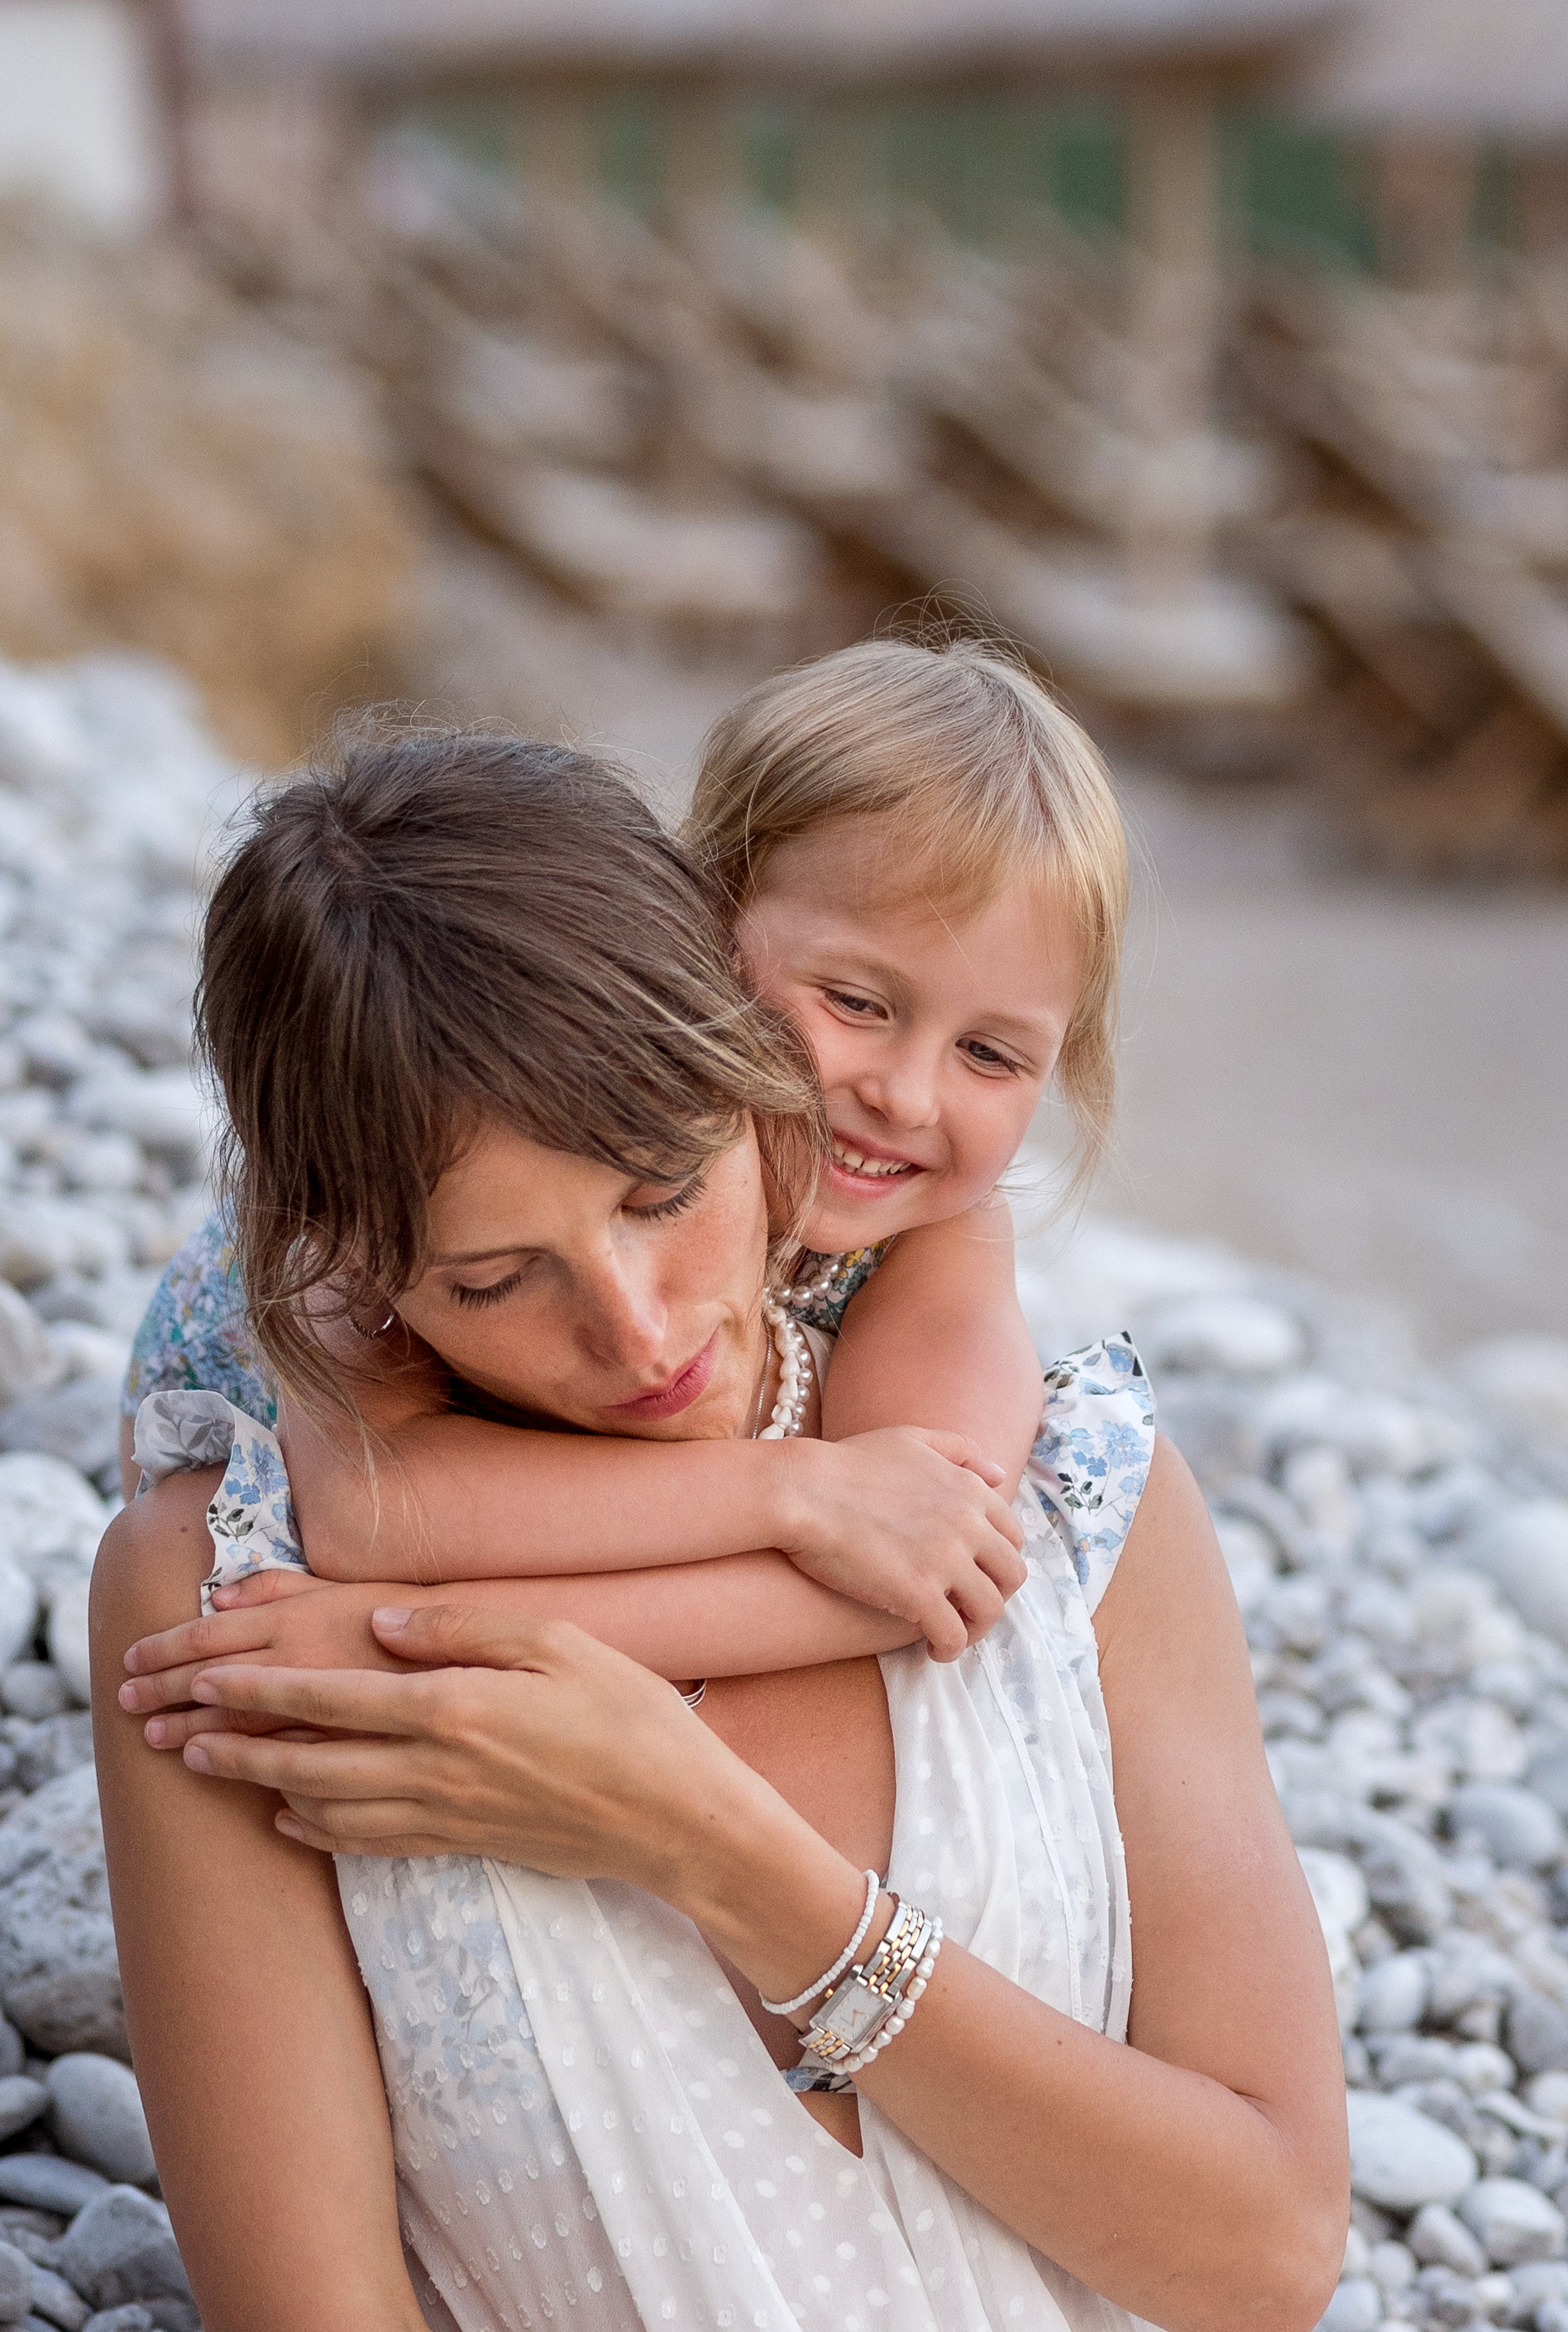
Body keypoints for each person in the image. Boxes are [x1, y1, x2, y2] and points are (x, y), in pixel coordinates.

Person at [90, 727, 1400, 2332]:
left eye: (659, 1192)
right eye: (493, 1279)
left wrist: (713, 1848)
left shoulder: (1053, 1511)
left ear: (744, 1073)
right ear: (343, 1258)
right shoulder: (234, 1607)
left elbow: (1257, 2268)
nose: (631, 1331)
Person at [114, 642, 1123, 1661]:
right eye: (854, 1003)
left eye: (990, 1054)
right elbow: (368, 1512)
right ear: (698, 924)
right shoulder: (387, 1203)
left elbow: (933, 1542)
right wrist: (791, 1494)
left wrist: (395, 1643)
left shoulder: (940, 1235)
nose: (904, 1097)